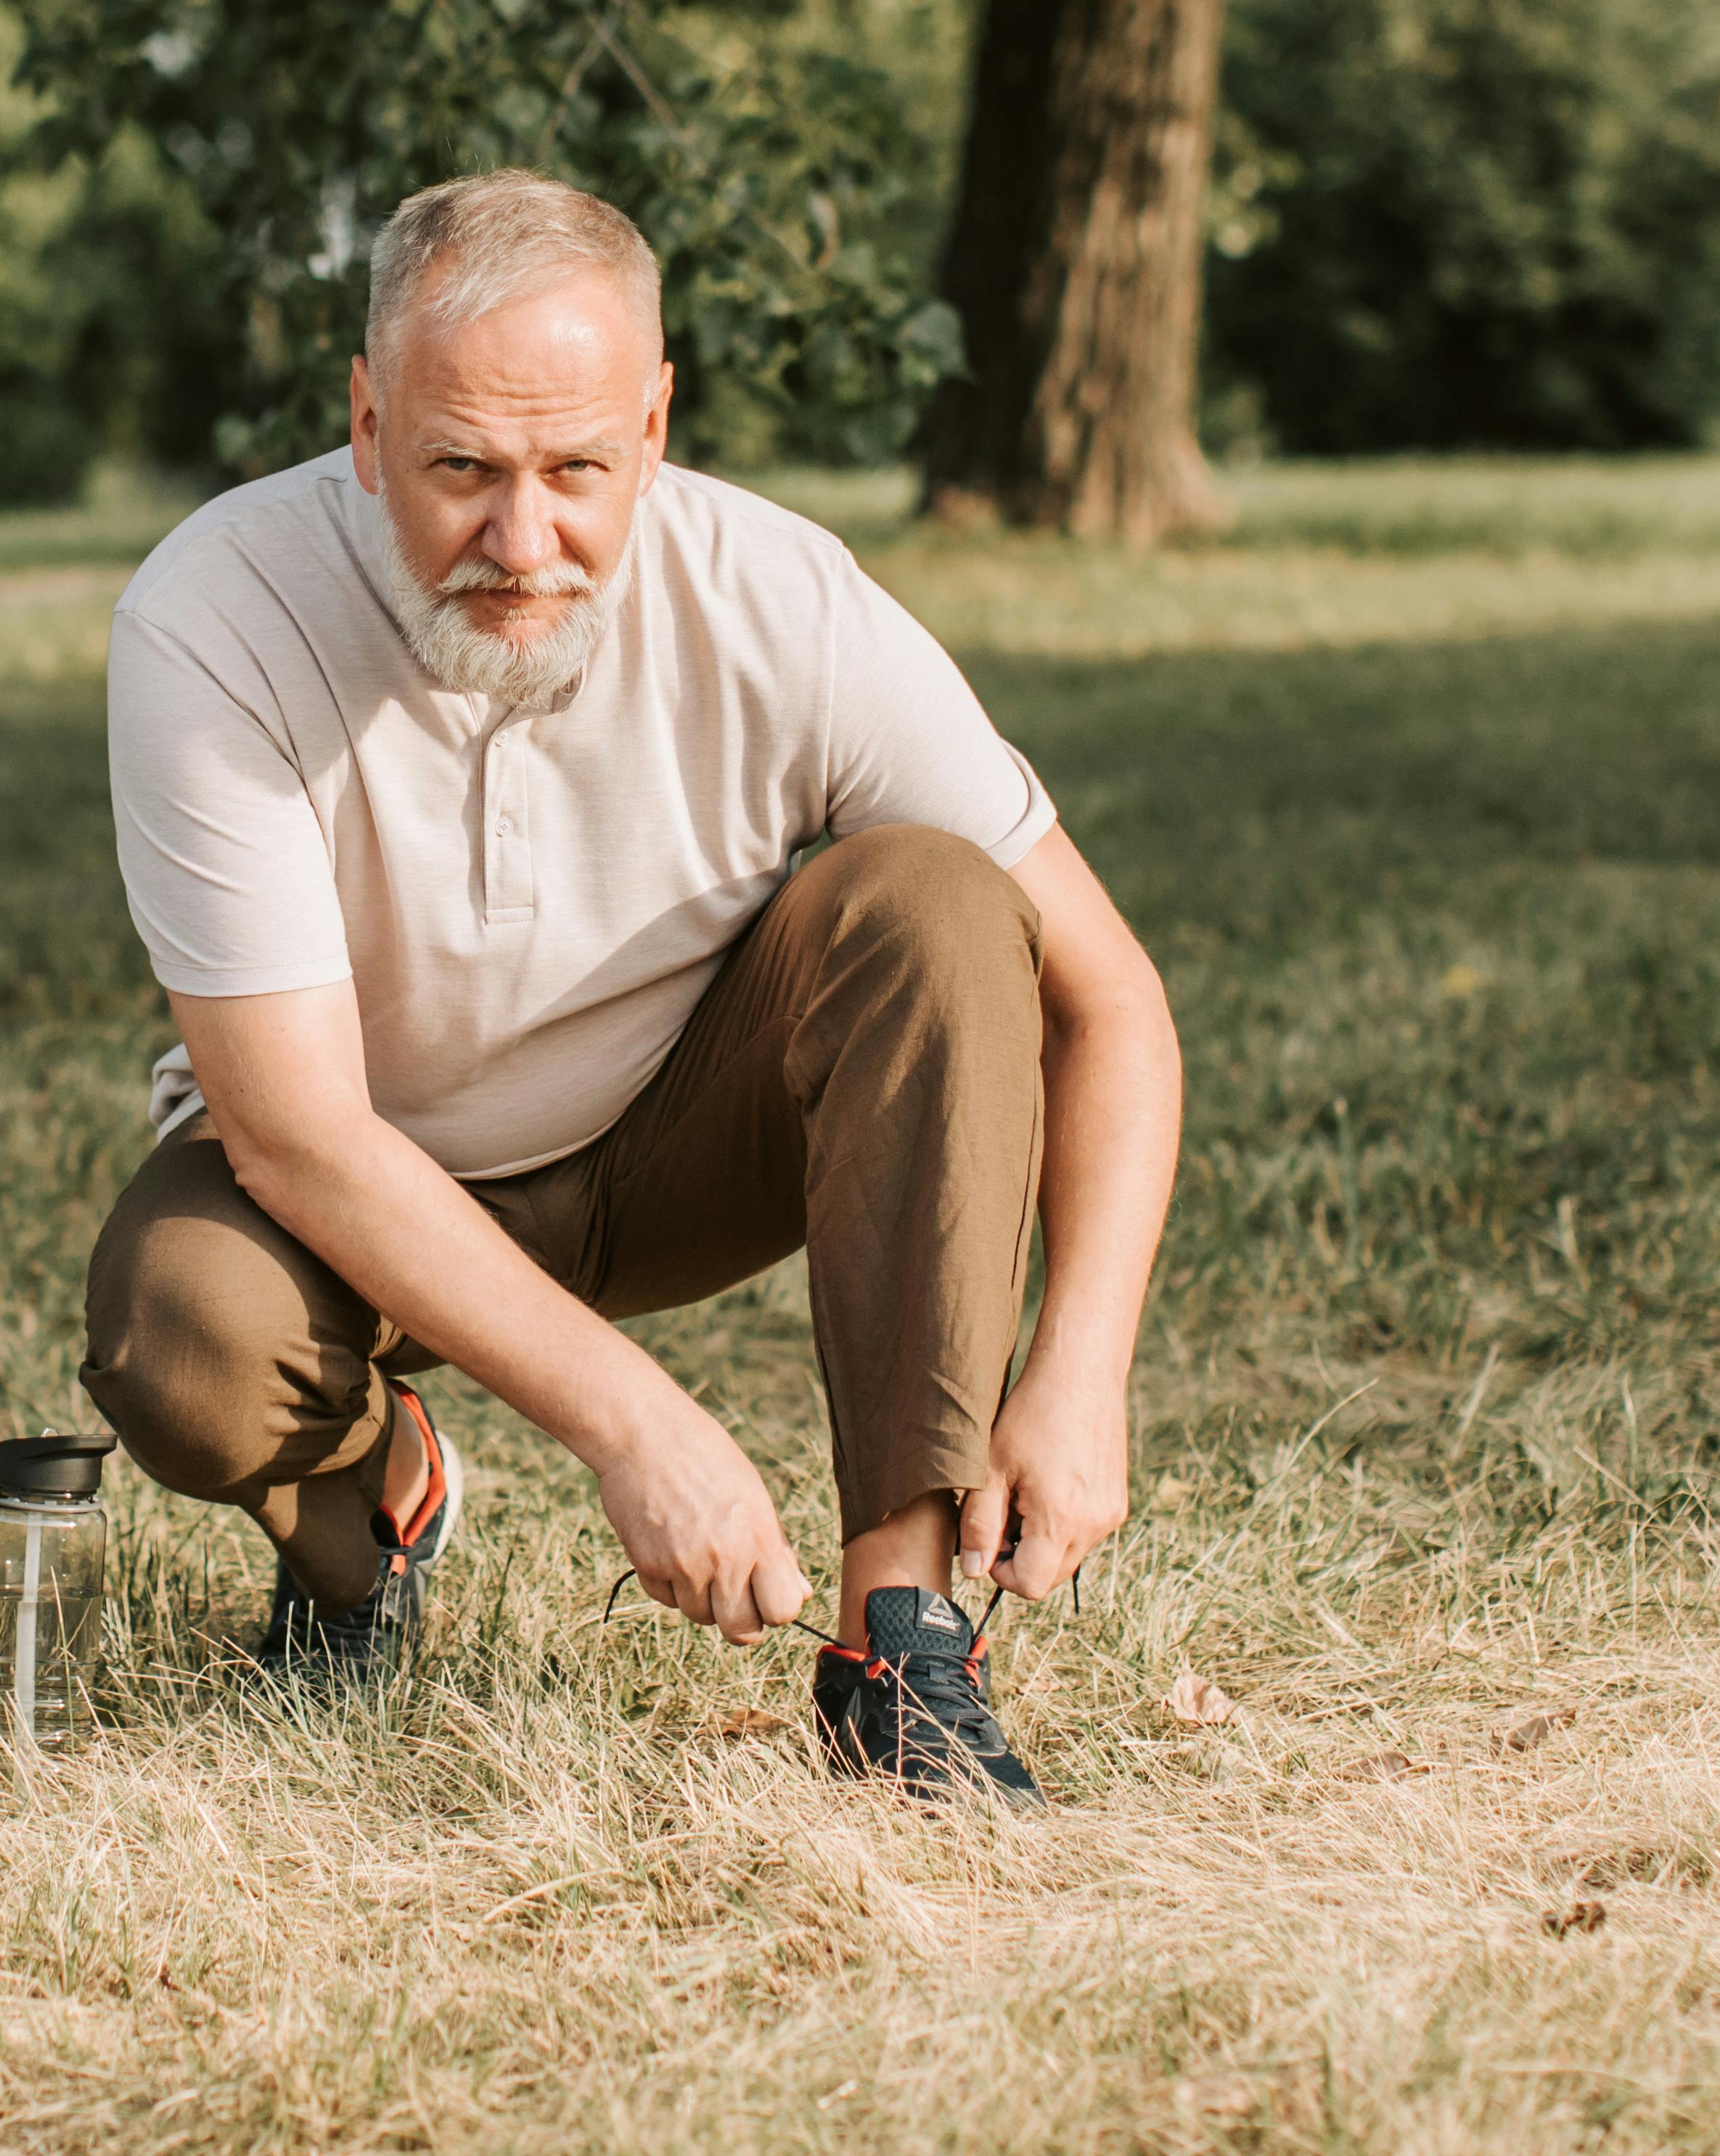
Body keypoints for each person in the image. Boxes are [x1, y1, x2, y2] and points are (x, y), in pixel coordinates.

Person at [81, 169, 1184, 1804]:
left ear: (655, 423)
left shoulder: (787, 599)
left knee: (944, 905)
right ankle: (370, 1517)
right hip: (363, 1186)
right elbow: (299, 1135)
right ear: (370, 421)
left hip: (682, 1137)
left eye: (578, 470)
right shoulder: (215, 612)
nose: (522, 542)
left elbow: (1114, 1002)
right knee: (183, 1331)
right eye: (459, 466)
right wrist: (632, 1423)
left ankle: (899, 1629)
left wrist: (1080, 1366)